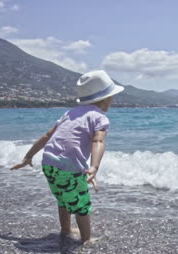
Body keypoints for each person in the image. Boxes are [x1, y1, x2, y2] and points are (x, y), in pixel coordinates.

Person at [11, 70, 124, 243]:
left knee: (63, 198)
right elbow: (98, 141)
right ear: (105, 98)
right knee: (82, 206)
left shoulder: (70, 113)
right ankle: (86, 240)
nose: (113, 100)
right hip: (69, 167)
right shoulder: (100, 117)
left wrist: (28, 156)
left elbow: (47, 136)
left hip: (48, 162)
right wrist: (94, 167)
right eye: (112, 97)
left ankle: (65, 229)